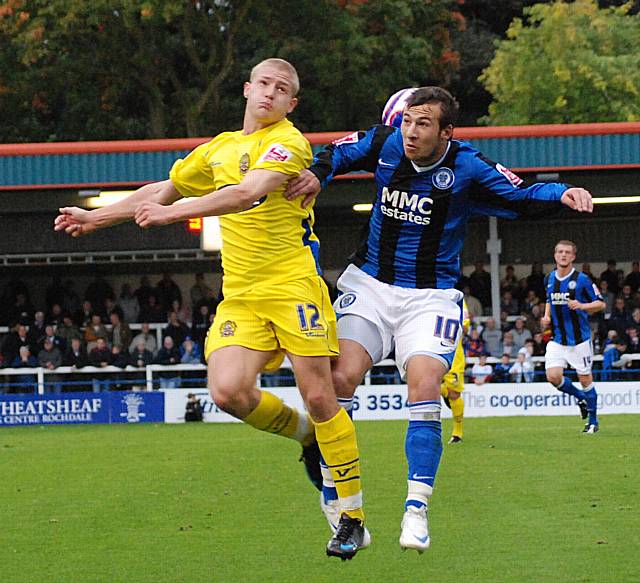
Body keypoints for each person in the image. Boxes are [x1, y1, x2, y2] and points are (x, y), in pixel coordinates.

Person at [53, 57, 367, 559]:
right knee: (227, 391)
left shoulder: (289, 143)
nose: (270, 93)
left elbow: (244, 195)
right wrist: (97, 219)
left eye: (281, 89)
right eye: (263, 84)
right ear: (246, 89)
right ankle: (308, 438)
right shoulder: (218, 149)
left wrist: (172, 214)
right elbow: (164, 188)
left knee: (320, 394)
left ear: (292, 102)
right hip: (242, 294)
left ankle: (351, 516)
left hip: (293, 288)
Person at [285, 85, 594, 553]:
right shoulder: (385, 141)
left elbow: (520, 192)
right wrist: (316, 175)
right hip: (370, 286)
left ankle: (416, 509)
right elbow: (336, 154)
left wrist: (562, 192)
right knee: (338, 380)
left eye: (423, 123)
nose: (410, 131)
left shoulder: (467, 165)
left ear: (446, 132)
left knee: (426, 385)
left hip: (430, 297)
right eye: (407, 121)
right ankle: (344, 507)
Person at [541, 240, 605, 433]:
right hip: (558, 339)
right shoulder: (549, 278)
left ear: (573, 257)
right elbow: (548, 299)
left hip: (579, 340)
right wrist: (546, 316)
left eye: (567, 252)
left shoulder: (582, 279)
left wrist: (582, 305)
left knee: (585, 379)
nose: (563, 255)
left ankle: (593, 422)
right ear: (555, 255)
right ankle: (581, 397)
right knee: (553, 377)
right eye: (560, 252)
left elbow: (600, 304)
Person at [440, 300, 469, 443]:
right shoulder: (426, 295)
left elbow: (465, 327)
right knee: (427, 386)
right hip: (430, 350)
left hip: (453, 353)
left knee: (453, 393)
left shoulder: (458, 300)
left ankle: (457, 433)